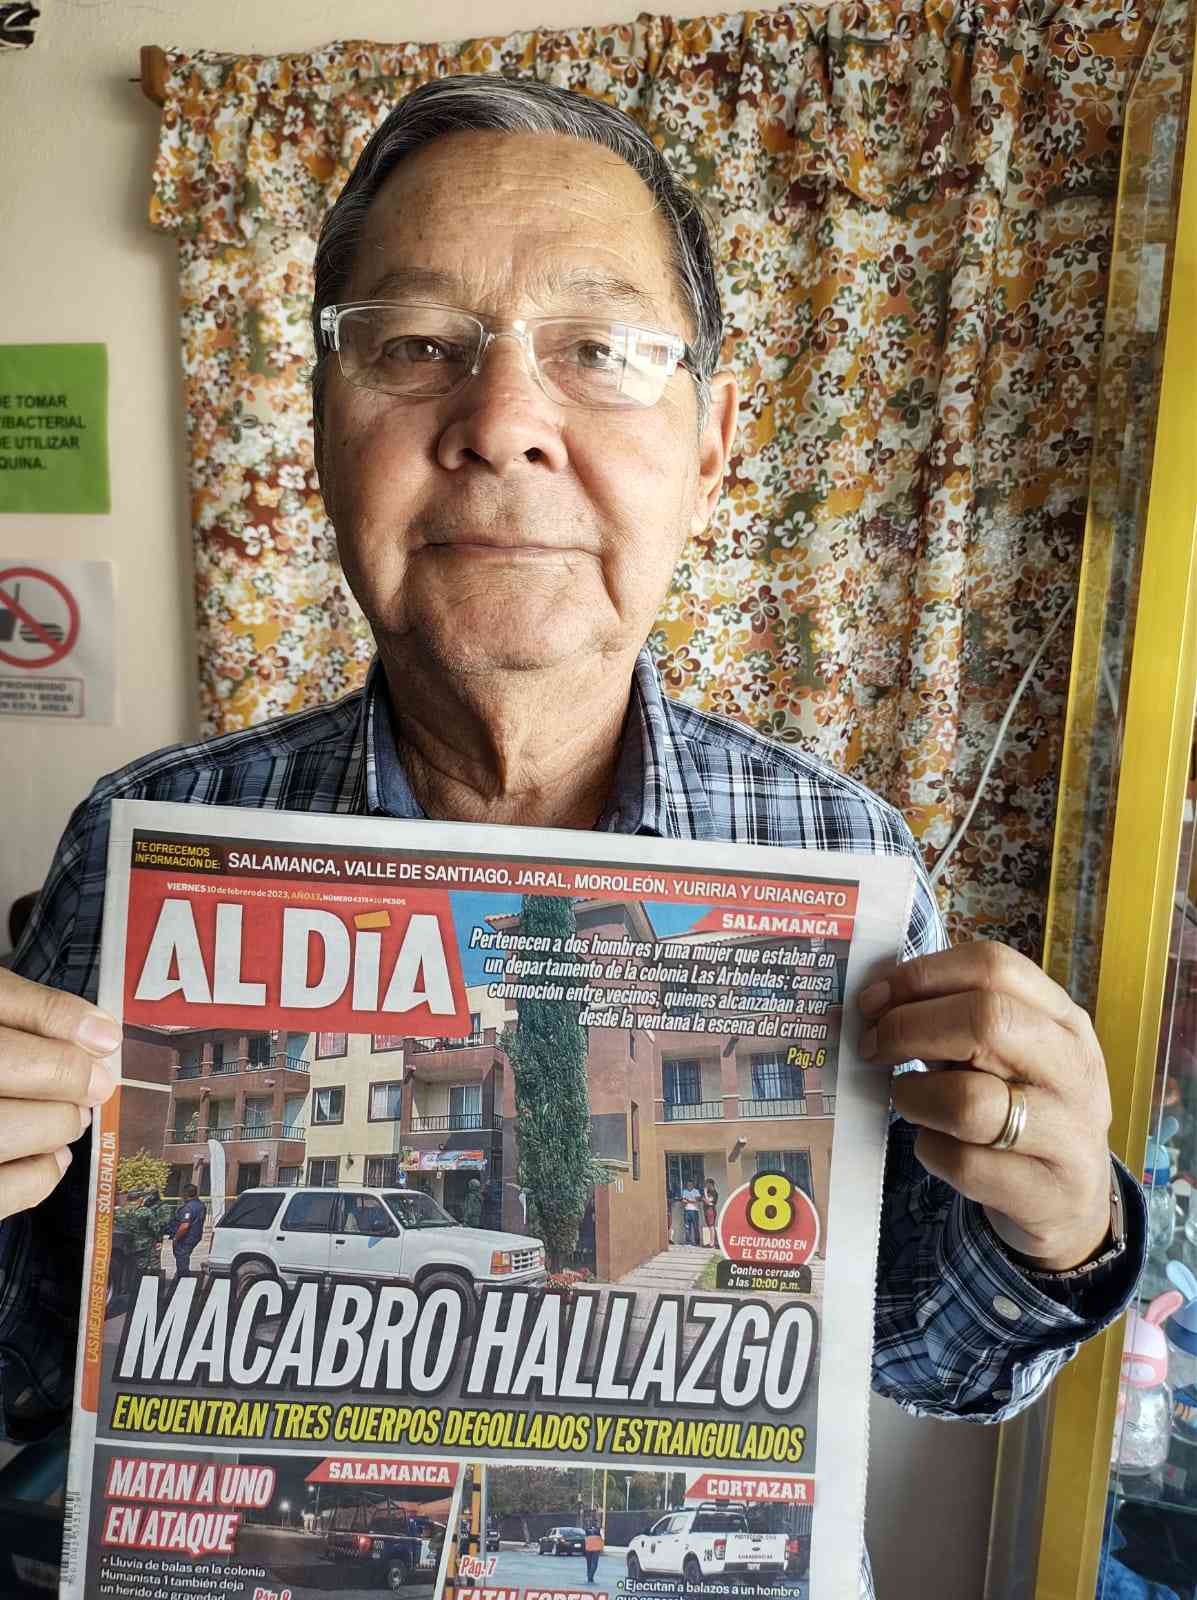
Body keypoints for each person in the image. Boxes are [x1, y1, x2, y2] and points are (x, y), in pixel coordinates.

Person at [0, 74, 1145, 1592]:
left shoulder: (839, 849)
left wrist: (1062, 1223)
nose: (502, 426)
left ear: (714, 443)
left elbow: (923, 1354)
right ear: (325, 425)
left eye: (600, 351)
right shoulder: (152, 840)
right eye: (417, 345)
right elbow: (40, 1354)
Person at [169, 1183, 206, 1278]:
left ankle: (183, 1279)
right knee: (184, 1258)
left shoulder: (188, 1208)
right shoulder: (201, 1205)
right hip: (195, 1236)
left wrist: (176, 1238)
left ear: (185, 1194)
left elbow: (185, 1226)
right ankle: (181, 1277)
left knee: (182, 1260)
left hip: (185, 1238)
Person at [680, 1180, 703, 1246]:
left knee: (695, 1227)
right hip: (686, 1210)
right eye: (688, 1185)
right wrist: (688, 1201)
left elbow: (697, 1200)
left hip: (694, 1210)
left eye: (690, 1185)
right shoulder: (685, 1191)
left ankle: (697, 1242)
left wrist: (688, 1200)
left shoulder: (696, 1191)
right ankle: (688, 1242)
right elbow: (683, 1200)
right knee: (687, 1227)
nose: (689, 1186)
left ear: (693, 1185)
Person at [702, 1178, 719, 1247]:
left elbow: (708, 1202)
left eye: (707, 1184)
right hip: (706, 1210)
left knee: (711, 1226)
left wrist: (705, 1193)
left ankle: (712, 1243)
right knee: (710, 1226)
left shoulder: (713, 1192)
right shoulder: (709, 1192)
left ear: (710, 1184)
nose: (706, 1185)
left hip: (710, 1210)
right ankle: (714, 1242)